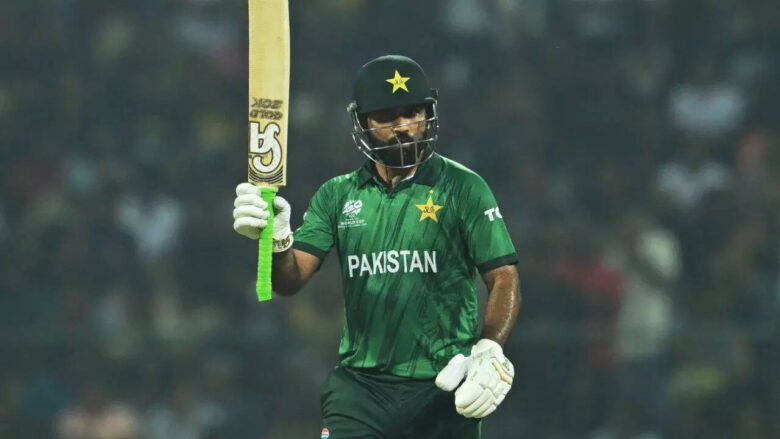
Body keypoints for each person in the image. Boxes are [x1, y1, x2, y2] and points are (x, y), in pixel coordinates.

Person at [233, 55, 520, 438]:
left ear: (428, 116)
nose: (402, 128)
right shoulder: (337, 195)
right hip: (360, 390)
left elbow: (503, 277)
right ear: (363, 124)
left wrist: (489, 348)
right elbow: (289, 280)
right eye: (386, 118)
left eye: (412, 113)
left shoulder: (464, 187)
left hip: (445, 383)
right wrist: (277, 237)